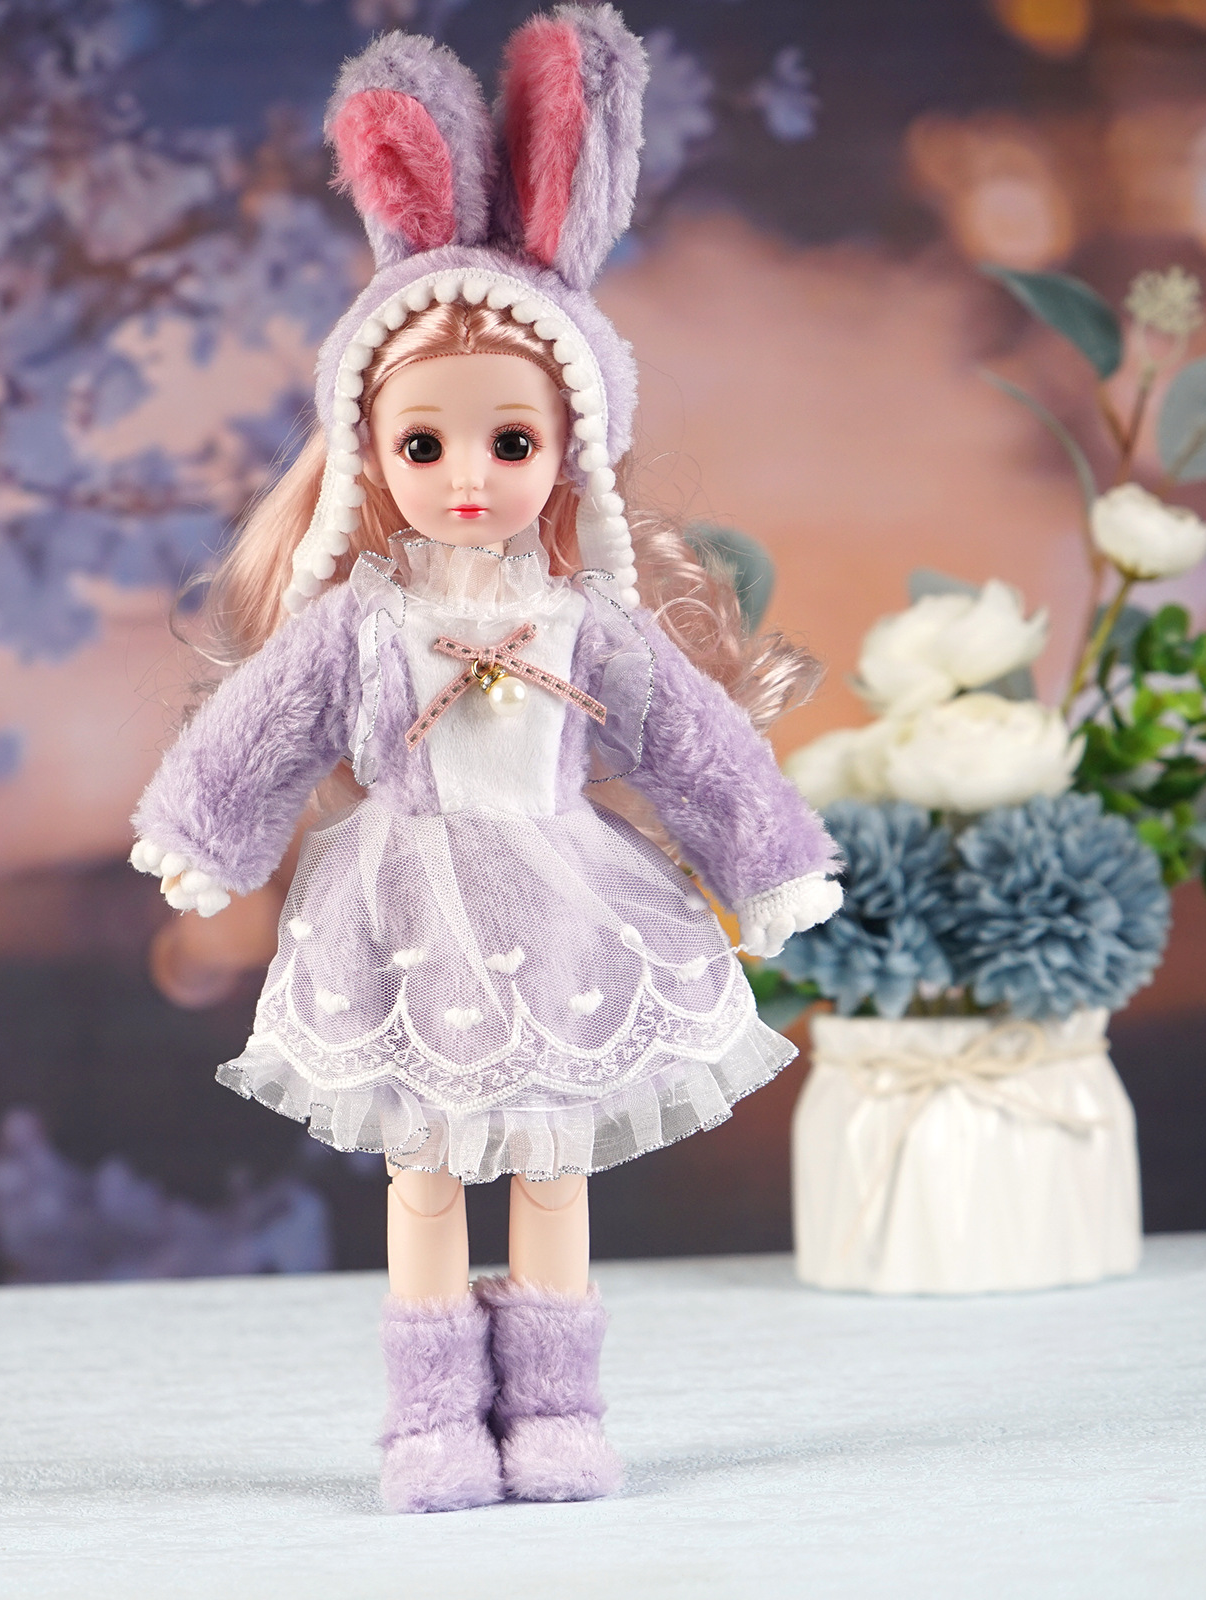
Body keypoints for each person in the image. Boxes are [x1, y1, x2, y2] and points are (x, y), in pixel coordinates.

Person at [130, 6, 841, 1514]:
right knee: (425, 1169)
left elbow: (694, 747)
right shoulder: (363, 621)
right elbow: (263, 726)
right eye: (426, 446)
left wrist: (769, 863)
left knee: (553, 1162)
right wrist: (203, 832)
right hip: (399, 904)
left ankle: (561, 1414)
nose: (467, 478)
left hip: (563, 898)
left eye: (509, 445)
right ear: (369, 455)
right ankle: (431, 1426)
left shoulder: (589, 626)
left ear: (569, 451)